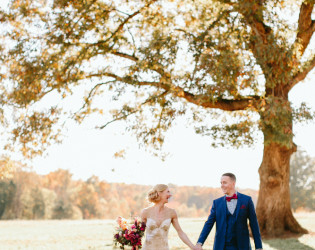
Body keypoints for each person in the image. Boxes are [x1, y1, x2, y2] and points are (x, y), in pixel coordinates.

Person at [194, 173, 263, 250]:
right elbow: (209, 224)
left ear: (233, 183)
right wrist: (200, 243)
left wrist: (259, 247)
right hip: (221, 246)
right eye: (221, 183)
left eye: (225, 182)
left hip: (242, 246)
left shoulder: (247, 200)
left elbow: (254, 224)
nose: (222, 185)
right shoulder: (217, 203)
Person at [140, 184, 195, 250]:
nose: (170, 194)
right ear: (159, 193)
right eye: (168, 192)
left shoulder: (172, 213)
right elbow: (139, 233)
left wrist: (193, 247)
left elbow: (180, 232)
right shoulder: (145, 212)